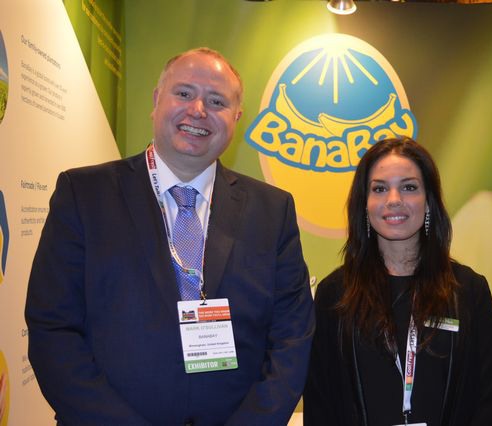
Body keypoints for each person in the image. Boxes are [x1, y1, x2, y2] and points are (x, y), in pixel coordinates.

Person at [25, 47, 314, 426]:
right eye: (184, 93)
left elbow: (293, 336)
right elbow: (53, 328)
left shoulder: (272, 210)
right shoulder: (84, 195)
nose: (198, 110)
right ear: (156, 99)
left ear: (236, 117)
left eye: (217, 101)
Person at [304, 137, 492, 425]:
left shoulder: (470, 291)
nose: (394, 199)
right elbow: (320, 403)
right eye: (379, 188)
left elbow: (488, 401)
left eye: (409, 187)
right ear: (365, 204)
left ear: (428, 201)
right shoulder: (334, 294)